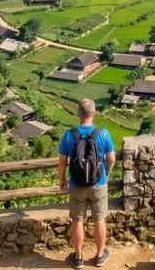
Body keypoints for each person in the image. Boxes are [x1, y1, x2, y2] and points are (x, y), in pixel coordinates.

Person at [58, 98, 116, 269]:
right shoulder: (103, 133)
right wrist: (106, 173)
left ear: (78, 114)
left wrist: (62, 179)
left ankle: (78, 257)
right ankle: (99, 256)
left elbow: (62, 161)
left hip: (76, 185)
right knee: (99, 219)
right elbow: (111, 158)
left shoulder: (69, 135)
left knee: (77, 220)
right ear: (94, 113)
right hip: (99, 183)